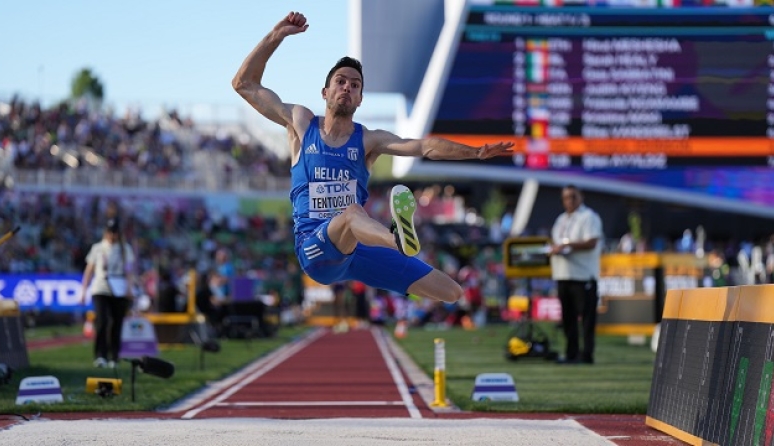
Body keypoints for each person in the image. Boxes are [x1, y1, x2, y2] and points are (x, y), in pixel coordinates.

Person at [231, 11, 513, 305]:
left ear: (360, 99)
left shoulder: (368, 140)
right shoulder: (301, 124)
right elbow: (244, 84)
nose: (347, 88)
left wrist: (476, 152)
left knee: (451, 292)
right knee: (353, 213)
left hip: (356, 248)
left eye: (355, 85)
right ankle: (398, 240)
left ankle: (399, 243)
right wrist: (277, 35)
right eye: (340, 82)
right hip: (314, 248)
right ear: (325, 92)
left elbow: (424, 147)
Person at [549, 185, 603, 365]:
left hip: (583, 275)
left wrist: (567, 246)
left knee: (586, 319)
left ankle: (587, 354)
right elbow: (556, 242)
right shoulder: (561, 219)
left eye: (573, 197)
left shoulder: (589, 217)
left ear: (581, 197)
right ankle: (571, 353)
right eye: (566, 197)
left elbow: (592, 242)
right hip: (563, 274)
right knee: (568, 318)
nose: (569, 201)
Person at [80, 218, 136, 368]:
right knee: (102, 321)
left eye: (115, 232)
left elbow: (129, 271)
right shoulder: (97, 248)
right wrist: (83, 290)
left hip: (119, 288)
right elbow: (89, 270)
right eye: (110, 232)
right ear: (106, 232)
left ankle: (114, 356)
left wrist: (130, 288)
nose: (112, 235)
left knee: (117, 323)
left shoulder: (126, 249)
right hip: (101, 287)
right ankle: (100, 355)